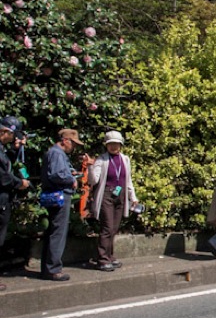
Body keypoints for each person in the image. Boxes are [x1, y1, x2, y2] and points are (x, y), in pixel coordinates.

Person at [40, 128, 88, 281]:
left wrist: (70, 172)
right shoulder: (56, 153)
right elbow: (56, 174)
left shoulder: (56, 154)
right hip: (59, 195)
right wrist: (71, 179)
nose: (73, 147)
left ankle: (49, 267)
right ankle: (53, 269)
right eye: (73, 143)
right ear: (65, 140)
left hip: (57, 195)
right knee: (58, 232)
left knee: (54, 231)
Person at [88, 131, 138, 271]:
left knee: (114, 228)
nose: (113, 147)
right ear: (106, 145)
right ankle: (102, 258)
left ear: (120, 145)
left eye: (116, 144)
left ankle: (110, 256)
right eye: (110, 144)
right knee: (107, 228)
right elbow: (94, 180)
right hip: (106, 195)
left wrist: (132, 197)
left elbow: (128, 180)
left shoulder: (125, 159)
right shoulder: (101, 160)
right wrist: (91, 167)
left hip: (120, 195)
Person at [0, 117, 31, 291]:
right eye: (12, 136)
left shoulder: (3, 149)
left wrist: (15, 149)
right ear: (5, 132)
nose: (13, 139)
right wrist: (20, 183)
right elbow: (4, 176)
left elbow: (6, 164)